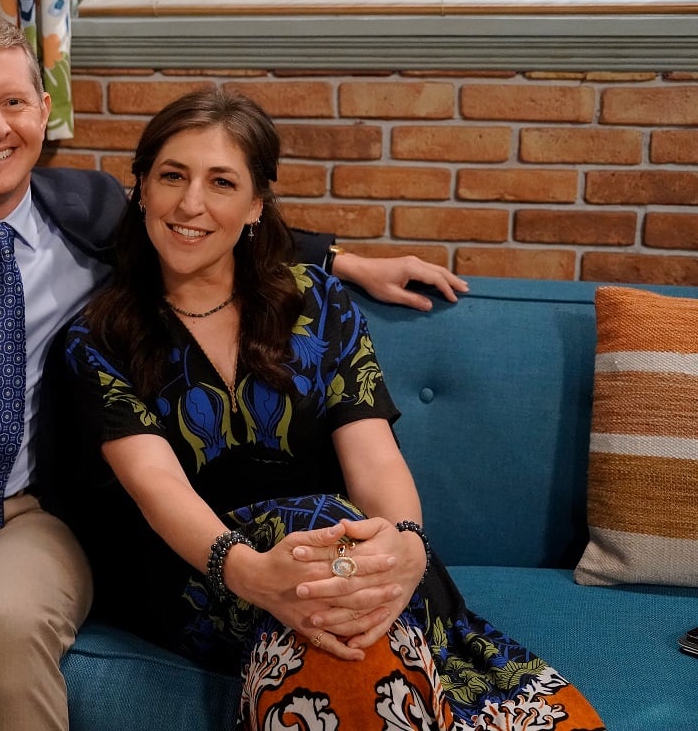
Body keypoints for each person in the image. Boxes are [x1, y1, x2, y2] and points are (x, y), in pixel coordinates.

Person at [0, 12, 464, 731]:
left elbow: (208, 220)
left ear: (45, 109)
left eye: (13, 101)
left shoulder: (95, 208)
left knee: (9, 633)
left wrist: (349, 260)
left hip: (32, 517)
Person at [54, 89, 605, 729]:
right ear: (142, 189)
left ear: (256, 205)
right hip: (197, 572)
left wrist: (405, 547)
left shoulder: (316, 302)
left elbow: (372, 452)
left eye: (221, 182)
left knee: (343, 574)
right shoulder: (99, 336)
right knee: (330, 543)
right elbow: (155, 485)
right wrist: (252, 572)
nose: (191, 203)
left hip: (330, 555)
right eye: (171, 176)